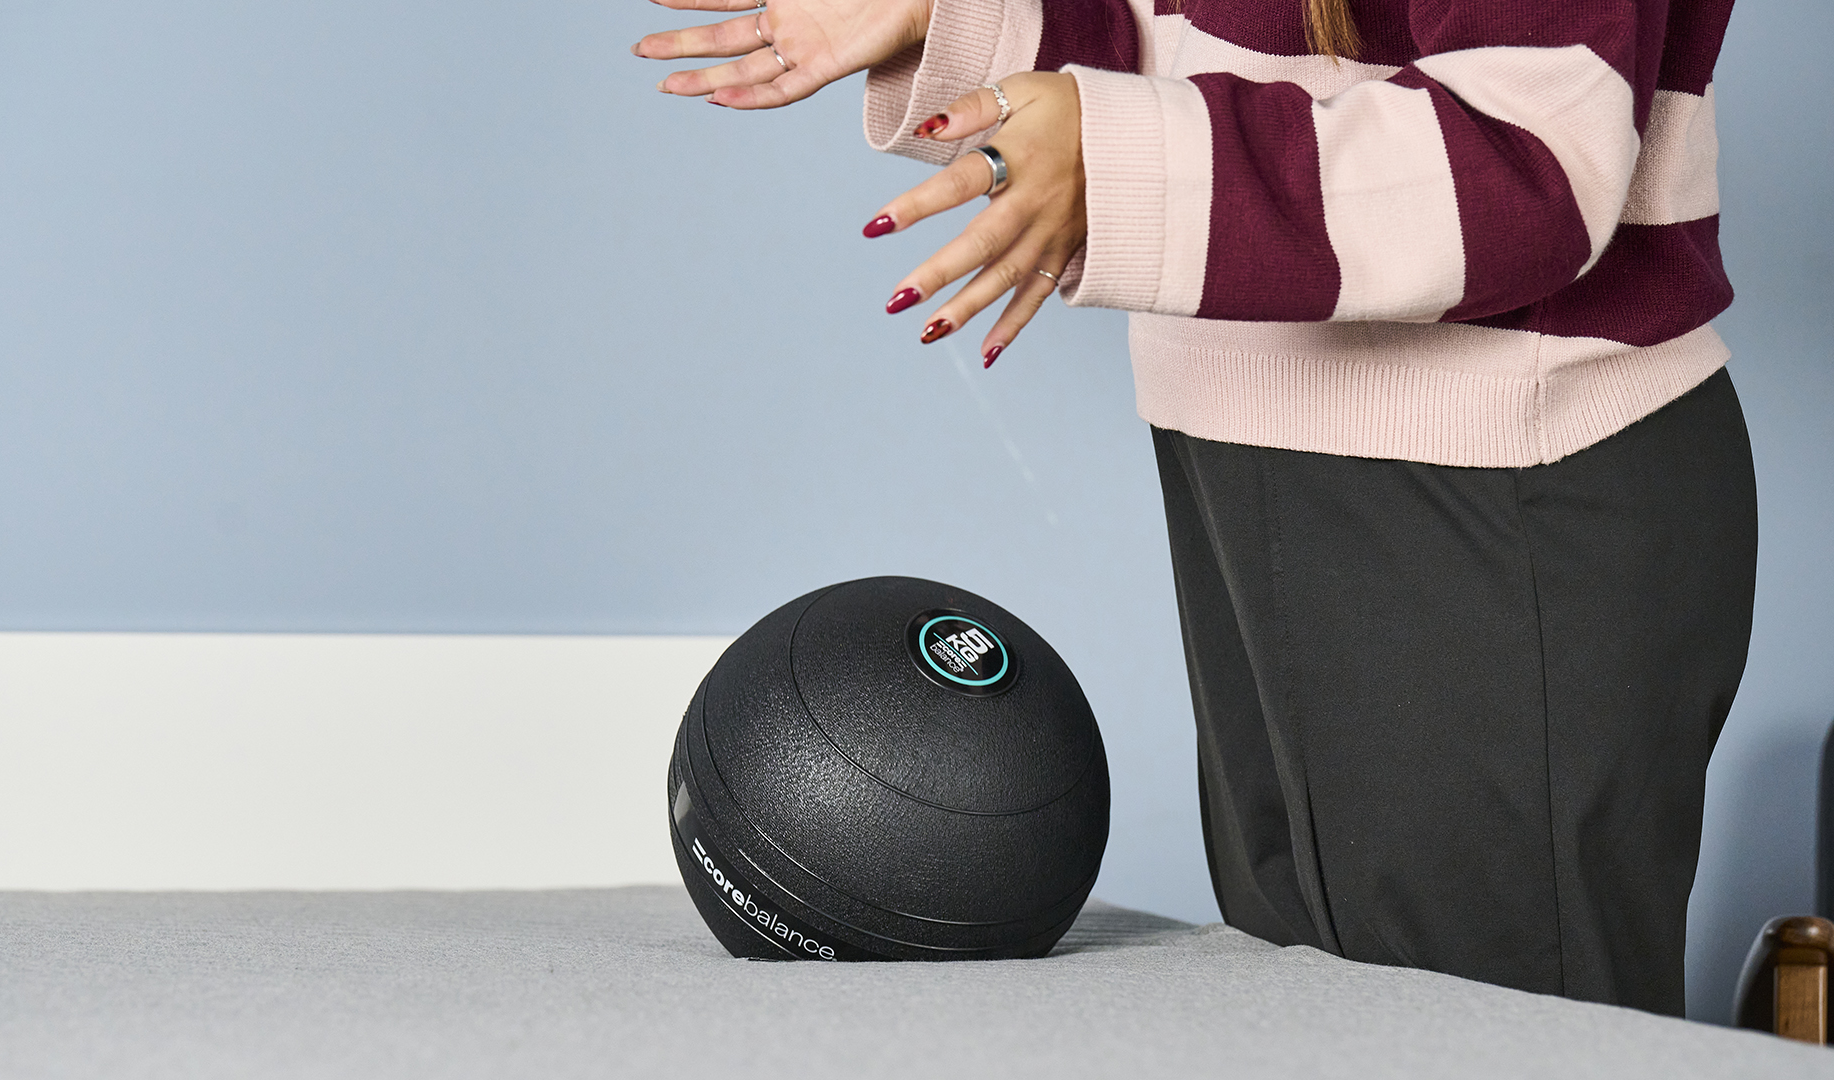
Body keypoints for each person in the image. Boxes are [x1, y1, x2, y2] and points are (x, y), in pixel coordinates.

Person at [634, 0, 1754, 1017]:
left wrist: (1110, 153)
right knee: (1309, 1021)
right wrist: (952, 14)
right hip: (1248, 461)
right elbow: (1185, 38)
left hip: (1504, 490)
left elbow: (1533, 156)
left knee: (1494, 1036)